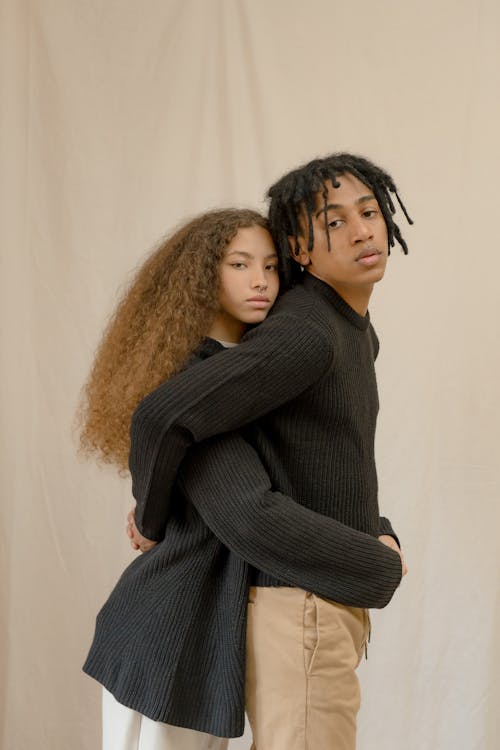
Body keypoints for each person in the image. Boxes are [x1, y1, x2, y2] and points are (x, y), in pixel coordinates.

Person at [80, 206, 404, 750]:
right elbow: (248, 509)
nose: (261, 281)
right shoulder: (200, 382)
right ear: (201, 276)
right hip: (170, 631)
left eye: (272, 267)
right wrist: (381, 565)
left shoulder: (253, 371)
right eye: (239, 264)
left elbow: (304, 473)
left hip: (208, 636)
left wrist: (380, 526)